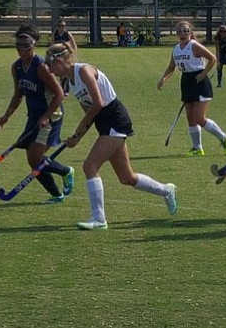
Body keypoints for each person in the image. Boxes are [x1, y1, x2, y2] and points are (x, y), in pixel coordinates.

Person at [46, 42, 178, 230]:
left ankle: (99, 219)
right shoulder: (69, 81)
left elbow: (98, 103)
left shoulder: (84, 71)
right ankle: (166, 190)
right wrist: (78, 137)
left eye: (50, 65)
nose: (50, 70)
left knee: (89, 166)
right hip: (103, 122)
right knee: (126, 177)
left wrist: (78, 130)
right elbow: (88, 111)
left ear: (58, 60)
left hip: (115, 118)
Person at [0, 25, 75, 204]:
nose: (23, 51)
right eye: (19, 47)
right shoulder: (16, 67)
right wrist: (5, 116)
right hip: (34, 116)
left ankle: (66, 171)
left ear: (34, 46)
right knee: (33, 161)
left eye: (27, 47)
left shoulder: (41, 67)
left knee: (35, 158)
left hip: (52, 115)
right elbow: (18, 94)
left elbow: (59, 94)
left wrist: (46, 116)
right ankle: (56, 194)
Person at [157, 21, 226, 157]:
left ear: (190, 32)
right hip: (186, 81)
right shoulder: (176, 49)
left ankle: (224, 137)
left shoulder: (194, 46)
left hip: (199, 82)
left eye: (185, 30)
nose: (182, 33)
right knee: (191, 118)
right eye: (179, 31)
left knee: (199, 118)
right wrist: (163, 79)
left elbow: (212, 58)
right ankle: (197, 148)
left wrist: (203, 74)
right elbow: (171, 68)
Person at [52, 19, 77, 96]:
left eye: (63, 26)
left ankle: (66, 90)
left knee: (66, 72)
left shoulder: (67, 34)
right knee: (58, 72)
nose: (61, 28)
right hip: (58, 55)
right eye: (59, 26)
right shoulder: (55, 34)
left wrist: (72, 53)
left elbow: (74, 45)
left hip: (66, 55)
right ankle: (58, 88)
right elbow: (52, 44)